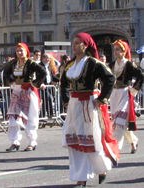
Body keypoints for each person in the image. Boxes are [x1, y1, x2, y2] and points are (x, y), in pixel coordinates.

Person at [61, 33, 119, 187]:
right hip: (74, 104)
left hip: (88, 103)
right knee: (73, 139)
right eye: (73, 43)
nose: (74, 46)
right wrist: (66, 100)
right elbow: (64, 84)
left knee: (90, 139)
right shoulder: (70, 65)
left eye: (78, 43)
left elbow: (110, 78)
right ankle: (81, 176)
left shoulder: (93, 63)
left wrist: (102, 98)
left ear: (85, 45)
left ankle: (102, 168)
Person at [3, 42, 46, 152]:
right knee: (13, 117)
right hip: (17, 92)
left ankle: (32, 141)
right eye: (17, 51)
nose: (19, 53)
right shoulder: (13, 63)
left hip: (29, 92)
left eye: (21, 50)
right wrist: (11, 82)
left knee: (31, 118)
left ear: (26, 51)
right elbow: (5, 73)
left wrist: (34, 83)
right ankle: (14, 142)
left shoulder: (31, 63)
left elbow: (43, 72)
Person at [109, 40, 143, 154]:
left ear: (124, 52)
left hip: (124, 93)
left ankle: (115, 149)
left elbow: (141, 75)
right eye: (115, 49)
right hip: (114, 94)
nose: (115, 52)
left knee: (119, 121)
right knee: (119, 122)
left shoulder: (128, 64)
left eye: (118, 49)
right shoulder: (112, 64)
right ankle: (133, 141)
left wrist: (134, 89)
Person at [39, 53, 59, 118]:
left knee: (46, 101)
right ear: (43, 58)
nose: (49, 59)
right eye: (47, 58)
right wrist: (41, 83)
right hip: (42, 86)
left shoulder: (49, 66)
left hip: (49, 86)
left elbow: (51, 76)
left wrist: (59, 80)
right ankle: (50, 114)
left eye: (49, 58)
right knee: (49, 98)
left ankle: (43, 115)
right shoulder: (39, 66)